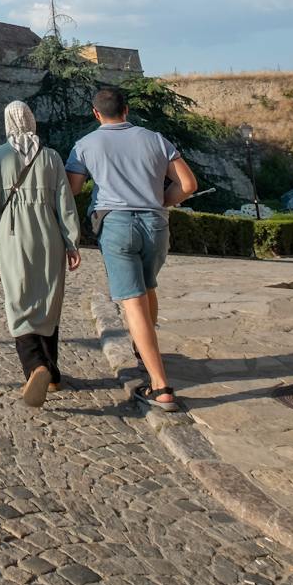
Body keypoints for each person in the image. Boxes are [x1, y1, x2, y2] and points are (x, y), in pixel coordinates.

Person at [66, 85, 198, 413]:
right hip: (156, 224)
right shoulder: (155, 138)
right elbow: (188, 184)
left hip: (115, 224)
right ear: (126, 110)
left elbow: (73, 189)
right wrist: (161, 202)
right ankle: (145, 351)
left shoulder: (85, 145)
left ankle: (161, 386)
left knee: (133, 303)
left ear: (96, 114)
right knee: (148, 287)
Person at [0, 100, 80, 407]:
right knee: (47, 299)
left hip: (13, 235)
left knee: (19, 300)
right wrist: (72, 241)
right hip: (49, 235)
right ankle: (54, 374)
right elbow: (65, 202)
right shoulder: (51, 157)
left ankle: (36, 367)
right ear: (32, 121)